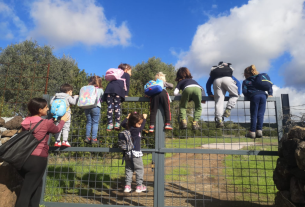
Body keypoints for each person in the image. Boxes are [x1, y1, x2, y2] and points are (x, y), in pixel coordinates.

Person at [15, 98, 69, 207]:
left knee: (37, 187)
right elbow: (57, 129)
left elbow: (41, 126)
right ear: (40, 110)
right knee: (26, 192)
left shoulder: (26, 121)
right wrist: (62, 120)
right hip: (38, 160)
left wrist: (53, 120)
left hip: (24, 158)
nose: (48, 109)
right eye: (46, 107)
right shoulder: (44, 123)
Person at [206, 62, 241, 128]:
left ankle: (219, 120)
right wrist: (238, 93)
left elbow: (208, 83)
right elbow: (238, 83)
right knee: (234, 95)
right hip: (228, 80)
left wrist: (209, 93)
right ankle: (228, 108)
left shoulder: (215, 72)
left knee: (219, 101)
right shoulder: (227, 72)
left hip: (216, 81)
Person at [242, 65, 273, 138]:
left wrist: (249, 95)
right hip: (263, 96)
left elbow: (244, 92)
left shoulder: (246, 81)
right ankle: (259, 131)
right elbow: (269, 85)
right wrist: (270, 94)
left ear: (245, 74)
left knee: (254, 114)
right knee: (261, 114)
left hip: (254, 96)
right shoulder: (260, 78)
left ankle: (252, 132)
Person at [121, 112, 147, 193]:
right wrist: (145, 118)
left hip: (127, 153)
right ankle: (139, 186)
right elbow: (142, 126)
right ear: (134, 123)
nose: (140, 125)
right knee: (139, 169)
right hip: (136, 153)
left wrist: (127, 117)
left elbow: (122, 123)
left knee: (129, 169)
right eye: (139, 123)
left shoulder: (128, 127)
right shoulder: (137, 130)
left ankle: (127, 186)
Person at [104, 63, 131, 131]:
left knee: (110, 107)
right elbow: (127, 85)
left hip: (109, 90)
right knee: (117, 106)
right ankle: (117, 123)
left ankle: (110, 124)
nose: (131, 73)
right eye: (131, 71)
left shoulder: (116, 73)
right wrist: (126, 94)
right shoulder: (126, 74)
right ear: (126, 70)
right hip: (118, 91)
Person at [84, 76, 104, 144]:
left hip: (86, 107)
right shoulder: (100, 90)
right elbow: (102, 98)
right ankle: (94, 138)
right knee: (95, 123)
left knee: (89, 122)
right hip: (96, 106)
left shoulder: (86, 89)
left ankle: (87, 137)